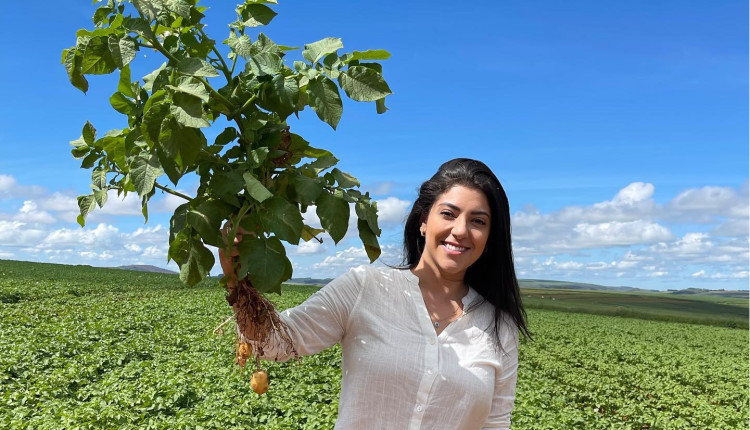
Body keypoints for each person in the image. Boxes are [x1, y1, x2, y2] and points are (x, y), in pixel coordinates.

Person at [220, 158, 530, 430]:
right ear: (424, 221)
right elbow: (275, 342)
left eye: (478, 221)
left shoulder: (498, 326)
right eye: (449, 214)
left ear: (489, 239)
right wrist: (238, 280)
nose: (461, 230)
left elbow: (495, 422)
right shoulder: (364, 288)